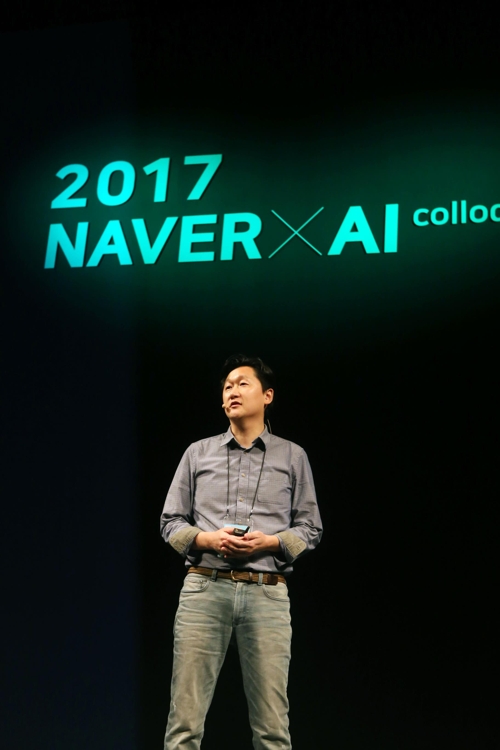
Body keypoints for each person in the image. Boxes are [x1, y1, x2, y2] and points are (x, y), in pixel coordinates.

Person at [160, 354, 322, 750]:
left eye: (242, 383)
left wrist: (272, 542)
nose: (232, 391)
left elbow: (311, 528)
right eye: (227, 386)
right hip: (204, 588)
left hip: (267, 591)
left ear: (267, 395)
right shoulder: (197, 453)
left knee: (272, 729)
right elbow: (170, 522)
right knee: (184, 726)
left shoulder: (293, 456)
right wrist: (208, 540)